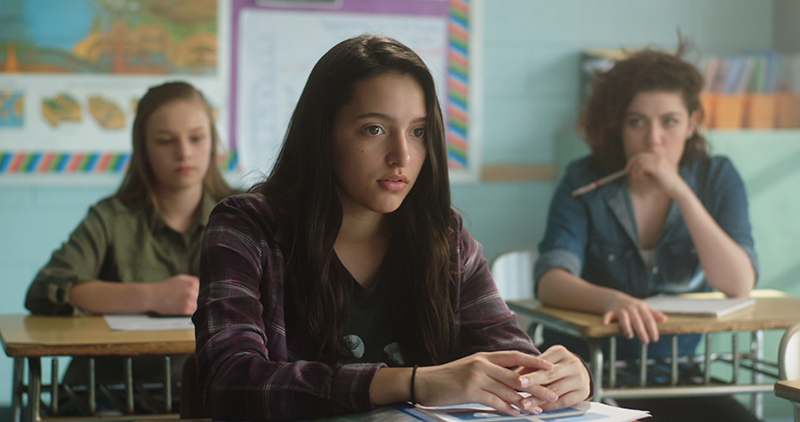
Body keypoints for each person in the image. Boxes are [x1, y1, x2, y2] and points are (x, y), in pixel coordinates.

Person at [193, 35, 592, 422]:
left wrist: (555, 378)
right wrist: (413, 383)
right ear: (322, 134)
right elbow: (230, 383)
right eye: (375, 129)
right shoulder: (247, 228)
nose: (402, 155)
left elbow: (506, 352)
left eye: (418, 132)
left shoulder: (445, 237)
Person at [534, 43, 758, 422]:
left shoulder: (716, 177)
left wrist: (681, 193)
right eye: (637, 122)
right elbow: (550, 281)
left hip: (677, 376)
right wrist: (612, 301)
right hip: (586, 376)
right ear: (618, 127)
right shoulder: (584, 180)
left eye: (669, 122)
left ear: (691, 123)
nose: (653, 139)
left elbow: (738, 283)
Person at [25, 81, 239, 411]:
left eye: (196, 138)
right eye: (166, 141)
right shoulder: (111, 217)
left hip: (209, 395)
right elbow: (44, 289)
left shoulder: (243, 215)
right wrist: (152, 296)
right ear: (143, 147)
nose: (184, 152)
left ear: (212, 142)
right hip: (106, 394)